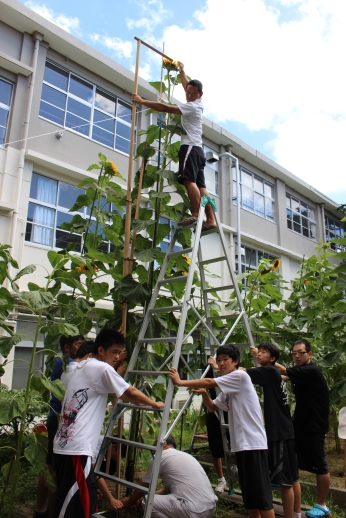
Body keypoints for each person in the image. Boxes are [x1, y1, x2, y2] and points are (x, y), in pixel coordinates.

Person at [52, 329, 165, 518]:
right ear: (101, 350)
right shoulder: (100, 368)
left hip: (66, 446)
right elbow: (129, 392)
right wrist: (154, 403)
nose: (117, 357)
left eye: (120, 353)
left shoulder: (84, 365)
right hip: (77, 449)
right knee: (75, 508)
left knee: (74, 502)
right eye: (114, 352)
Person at [169, 344, 275, 518]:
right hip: (242, 446)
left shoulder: (239, 376)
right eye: (219, 360)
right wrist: (204, 394)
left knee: (262, 497)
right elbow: (212, 407)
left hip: (254, 444)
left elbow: (211, 381)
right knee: (250, 497)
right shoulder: (229, 387)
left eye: (225, 359)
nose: (221, 363)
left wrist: (180, 381)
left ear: (235, 361)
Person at [132, 61, 216, 231]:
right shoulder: (198, 104)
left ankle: (195, 213)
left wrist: (142, 100)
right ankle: (211, 219)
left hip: (190, 148)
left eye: (193, 94)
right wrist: (182, 71)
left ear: (200, 94)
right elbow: (185, 85)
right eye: (188, 93)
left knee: (187, 180)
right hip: (199, 150)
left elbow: (164, 107)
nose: (189, 95)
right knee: (202, 187)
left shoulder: (191, 106)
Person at [244, 342, 301, 518]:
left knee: (285, 482)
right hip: (285, 430)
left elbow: (243, 373)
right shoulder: (274, 372)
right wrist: (257, 356)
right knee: (291, 478)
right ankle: (296, 514)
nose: (259, 354)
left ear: (273, 358)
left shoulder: (269, 372)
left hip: (279, 433)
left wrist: (219, 365)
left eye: (263, 353)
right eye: (258, 352)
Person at [275, 339, 330, 518]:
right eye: (294, 353)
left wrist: (270, 360)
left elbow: (284, 371)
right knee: (294, 461)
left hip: (314, 425)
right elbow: (284, 376)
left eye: (301, 353)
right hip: (300, 423)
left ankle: (322, 505)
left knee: (320, 464)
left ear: (310, 354)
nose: (297, 356)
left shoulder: (312, 370)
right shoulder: (302, 372)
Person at [33, 334, 83, 518]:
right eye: (78, 344)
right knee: (52, 468)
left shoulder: (66, 362)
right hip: (59, 419)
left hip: (60, 418)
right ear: (67, 347)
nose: (82, 347)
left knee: (51, 465)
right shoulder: (65, 364)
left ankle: (44, 510)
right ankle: (47, 512)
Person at [121, 435, 217, 517]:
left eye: (155, 446)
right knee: (147, 499)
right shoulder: (184, 456)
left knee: (147, 502)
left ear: (164, 444)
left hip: (193, 510)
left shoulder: (159, 457)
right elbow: (165, 491)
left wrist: (130, 502)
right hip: (210, 508)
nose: (154, 451)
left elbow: (145, 485)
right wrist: (139, 498)